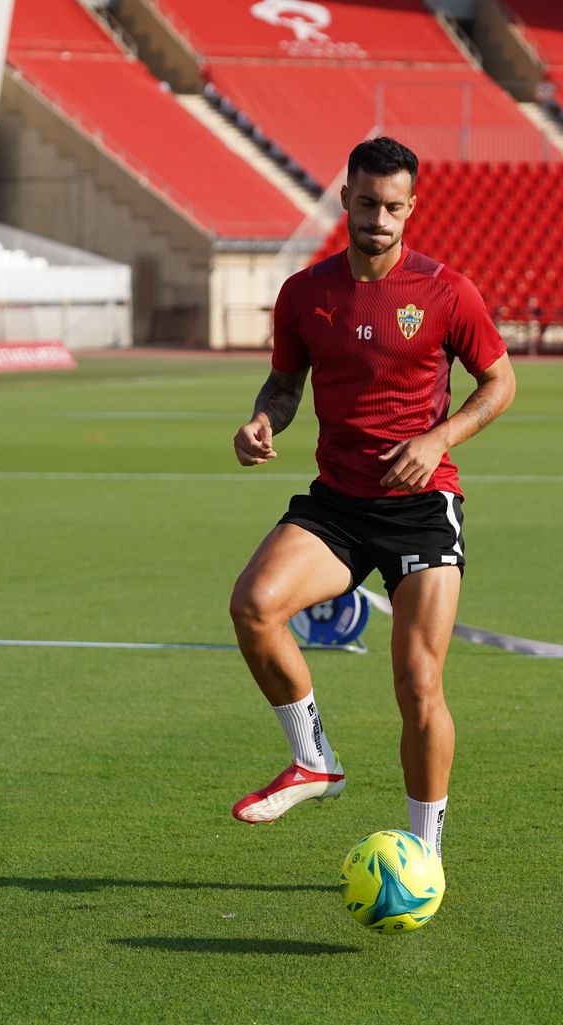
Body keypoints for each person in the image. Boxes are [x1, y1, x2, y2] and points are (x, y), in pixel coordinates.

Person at [228, 136, 516, 858]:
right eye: (366, 203)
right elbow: (285, 385)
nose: (379, 218)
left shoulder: (448, 291)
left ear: (411, 207)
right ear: (346, 201)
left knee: (418, 687)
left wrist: (438, 439)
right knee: (253, 606)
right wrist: (264, 420)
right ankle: (314, 759)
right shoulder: (306, 294)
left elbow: (501, 383)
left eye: (393, 206)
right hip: (338, 504)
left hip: (422, 508)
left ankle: (426, 853)